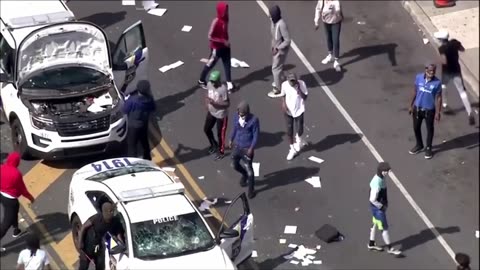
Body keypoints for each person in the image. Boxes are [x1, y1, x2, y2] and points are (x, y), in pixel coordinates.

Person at [435, 31, 475, 125]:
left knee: (443, 86)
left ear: (440, 40)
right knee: (462, 92)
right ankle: (469, 112)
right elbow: (462, 49)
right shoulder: (454, 42)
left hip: (447, 72)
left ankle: (445, 104)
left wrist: (439, 59)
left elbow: (444, 61)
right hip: (456, 71)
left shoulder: (442, 48)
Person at [408, 63, 442, 159]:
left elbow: (439, 98)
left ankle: (428, 148)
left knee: (429, 129)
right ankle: (419, 145)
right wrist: (411, 105)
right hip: (417, 108)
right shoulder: (418, 78)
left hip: (429, 111)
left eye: (434, 71)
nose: (432, 72)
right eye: (430, 70)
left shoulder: (437, 83)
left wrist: (438, 112)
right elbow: (415, 91)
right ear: (426, 70)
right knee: (416, 127)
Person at [367, 162, 402, 256]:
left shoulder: (379, 177)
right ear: (382, 171)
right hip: (378, 210)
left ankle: (371, 244)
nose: (388, 172)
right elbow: (372, 199)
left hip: (376, 209)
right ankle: (390, 248)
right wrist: (381, 207)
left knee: (374, 223)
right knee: (384, 229)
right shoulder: (377, 184)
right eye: (387, 170)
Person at [77, 202, 125, 270]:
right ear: (104, 211)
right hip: (89, 244)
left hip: (101, 246)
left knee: (100, 267)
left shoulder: (115, 222)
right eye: (110, 211)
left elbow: (118, 234)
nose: (111, 213)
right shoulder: (96, 218)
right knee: (83, 267)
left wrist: (121, 245)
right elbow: (83, 228)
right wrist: (80, 242)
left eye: (112, 211)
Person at [198, 1, 234, 92]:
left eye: (227, 10)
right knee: (210, 64)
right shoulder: (216, 21)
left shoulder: (226, 18)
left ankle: (229, 83)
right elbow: (210, 36)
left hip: (225, 47)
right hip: (216, 48)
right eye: (225, 10)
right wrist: (223, 41)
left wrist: (226, 42)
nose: (226, 12)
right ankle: (201, 80)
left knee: (227, 64)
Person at [0, 152, 35, 242]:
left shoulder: (2, 168)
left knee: (14, 212)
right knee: (6, 223)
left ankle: (16, 230)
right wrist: (30, 198)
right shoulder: (16, 174)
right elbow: (23, 189)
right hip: (11, 200)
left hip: (2, 195)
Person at [229, 101, 259, 199]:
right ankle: (244, 174)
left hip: (247, 149)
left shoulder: (254, 120)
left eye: (242, 114)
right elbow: (235, 128)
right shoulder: (236, 117)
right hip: (237, 146)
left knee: (249, 169)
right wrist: (231, 139)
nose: (240, 115)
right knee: (233, 164)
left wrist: (251, 148)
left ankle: (251, 190)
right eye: (239, 113)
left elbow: (255, 135)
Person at [123, 80, 156, 160]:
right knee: (145, 143)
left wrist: (126, 100)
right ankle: (148, 159)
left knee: (132, 146)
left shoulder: (132, 101)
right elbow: (153, 108)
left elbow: (124, 110)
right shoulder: (150, 100)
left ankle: (133, 163)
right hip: (144, 125)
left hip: (133, 126)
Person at [204, 70, 230, 160]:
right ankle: (213, 144)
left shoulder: (223, 89)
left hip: (221, 115)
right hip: (211, 112)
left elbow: (227, 104)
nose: (213, 84)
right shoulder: (209, 85)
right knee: (206, 129)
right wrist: (207, 104)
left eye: (214, 82)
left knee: (220, 134)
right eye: (211, 81)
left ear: (218, 81)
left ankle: (221, 151)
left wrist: (215, 104)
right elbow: (208, 95)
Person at [281, 73, 308, 160]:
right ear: (288, 80)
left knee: (300, 128)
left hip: (299, 110)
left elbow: (305, 97)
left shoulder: (302, 84)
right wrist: (283, 104)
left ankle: (299, 139)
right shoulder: (284, 85)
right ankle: (292, 149)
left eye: (294, 81)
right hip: (288, 111)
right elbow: (283, 94)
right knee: (289, 130)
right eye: (290, 81)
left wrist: (299, 89)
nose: (292, 83)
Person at [268, 5, 291, 98]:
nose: (269, 16)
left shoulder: (281, 24)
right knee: (278, 66)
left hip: (281, 50)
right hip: (276, 48)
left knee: (275, 68)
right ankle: (281, 80)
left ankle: (278, 89)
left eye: (270, 14)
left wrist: (278, 48)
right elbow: (274, 37)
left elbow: (287, 40)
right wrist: (273, 47)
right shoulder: (273, 22)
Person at [315, 0, 343, 72]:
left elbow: (338, 9)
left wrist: (337, 12)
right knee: (328, 38)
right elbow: (318, 9)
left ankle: (336, 61)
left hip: (335, 22)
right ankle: (330, 55)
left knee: (335, 40)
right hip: (326, 22)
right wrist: (316, 21)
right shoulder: (322, 1)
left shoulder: (336, 1)